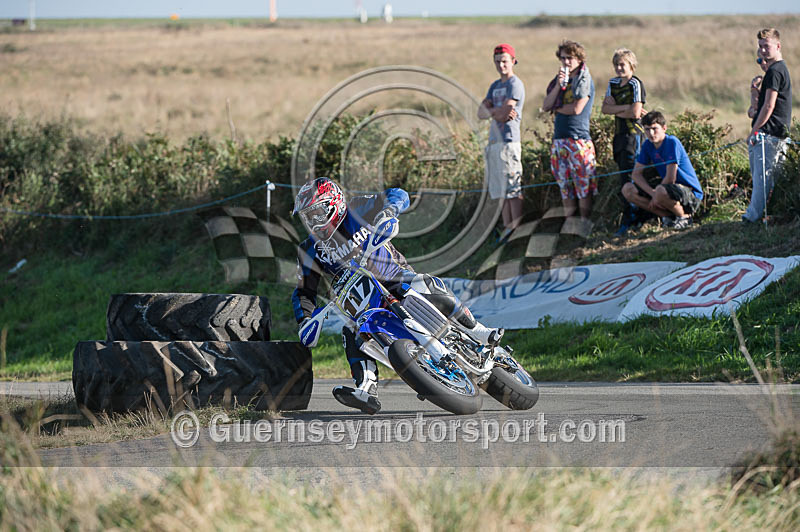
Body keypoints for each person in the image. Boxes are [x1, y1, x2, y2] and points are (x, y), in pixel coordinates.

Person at [291, 177, 503, 414]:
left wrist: (389, 211)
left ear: (335, 204)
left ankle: (476, 329)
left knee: (425, 284)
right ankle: (366, 388)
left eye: (318, 213)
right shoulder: (308, 249)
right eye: (308, 216)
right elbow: (303, 291)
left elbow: (397, 193)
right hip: (361, 301)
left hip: (392, 275)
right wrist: (306, 320)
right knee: (351, 331)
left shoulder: (357, 209)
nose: (314, 221)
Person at [542, 40, 596, 220]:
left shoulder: (584, 80)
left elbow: (576, 108)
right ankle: (570, 225)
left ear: (579, 59)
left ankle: (584, 223)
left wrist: (556, 109)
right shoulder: (560, 82)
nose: (566, 62)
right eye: (563, 58)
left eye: (570, 58)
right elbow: (546, 105)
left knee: (583, 186)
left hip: (578, 138)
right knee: (565, 187)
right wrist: (558, 86)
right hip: (559, 139)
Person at [743, 28, 792, 224]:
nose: (763, 51)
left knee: (762, 179)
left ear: (778, 46)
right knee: (766, 179)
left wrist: (755, 131)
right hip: (773, 133)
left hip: (770, 134)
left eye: (767, 46)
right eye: (760, 47)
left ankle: (752, 218)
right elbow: (757, 108)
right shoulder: (775, 70)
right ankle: (767, 215)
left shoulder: (775, 70)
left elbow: (769, 105)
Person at [622, 111, 703, 230]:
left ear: (664, 128)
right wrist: (652, 193)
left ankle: (685, 217)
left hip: (689, 193)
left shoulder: (671, 142)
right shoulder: (647, 145)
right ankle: (667, 217)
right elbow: (636, 174)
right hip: (666, 190)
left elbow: (671, 178)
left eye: (655, 129)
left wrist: (656, 195)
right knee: (628, 189)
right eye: (647, 129)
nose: (651, 133)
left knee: (660, 190)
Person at [478, 43, 525, 238]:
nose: (501, 65)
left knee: (513, 188)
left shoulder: (515, 84)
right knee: (501, 190)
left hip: (508, 141)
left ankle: (517, 230)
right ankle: (507, 228)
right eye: (497, 62)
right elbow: (481, 112)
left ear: (513, 61)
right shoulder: (495, 86)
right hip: (494, 142)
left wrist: (494, 111)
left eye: (505, 61)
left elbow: (505, 113)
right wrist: (496, 112)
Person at [600, 48, 647, 236]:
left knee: (632, 175)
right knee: (622, 175)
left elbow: (636, 113)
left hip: (633, 134)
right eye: (616, 65)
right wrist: (625, 107)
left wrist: (616, 108)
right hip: (619, 134)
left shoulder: (636, 84)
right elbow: (604, 108)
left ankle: (634, 218)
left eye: (622, 65)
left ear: (631, 66)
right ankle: (628, 216)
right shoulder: (613, 83)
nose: (619, 68)